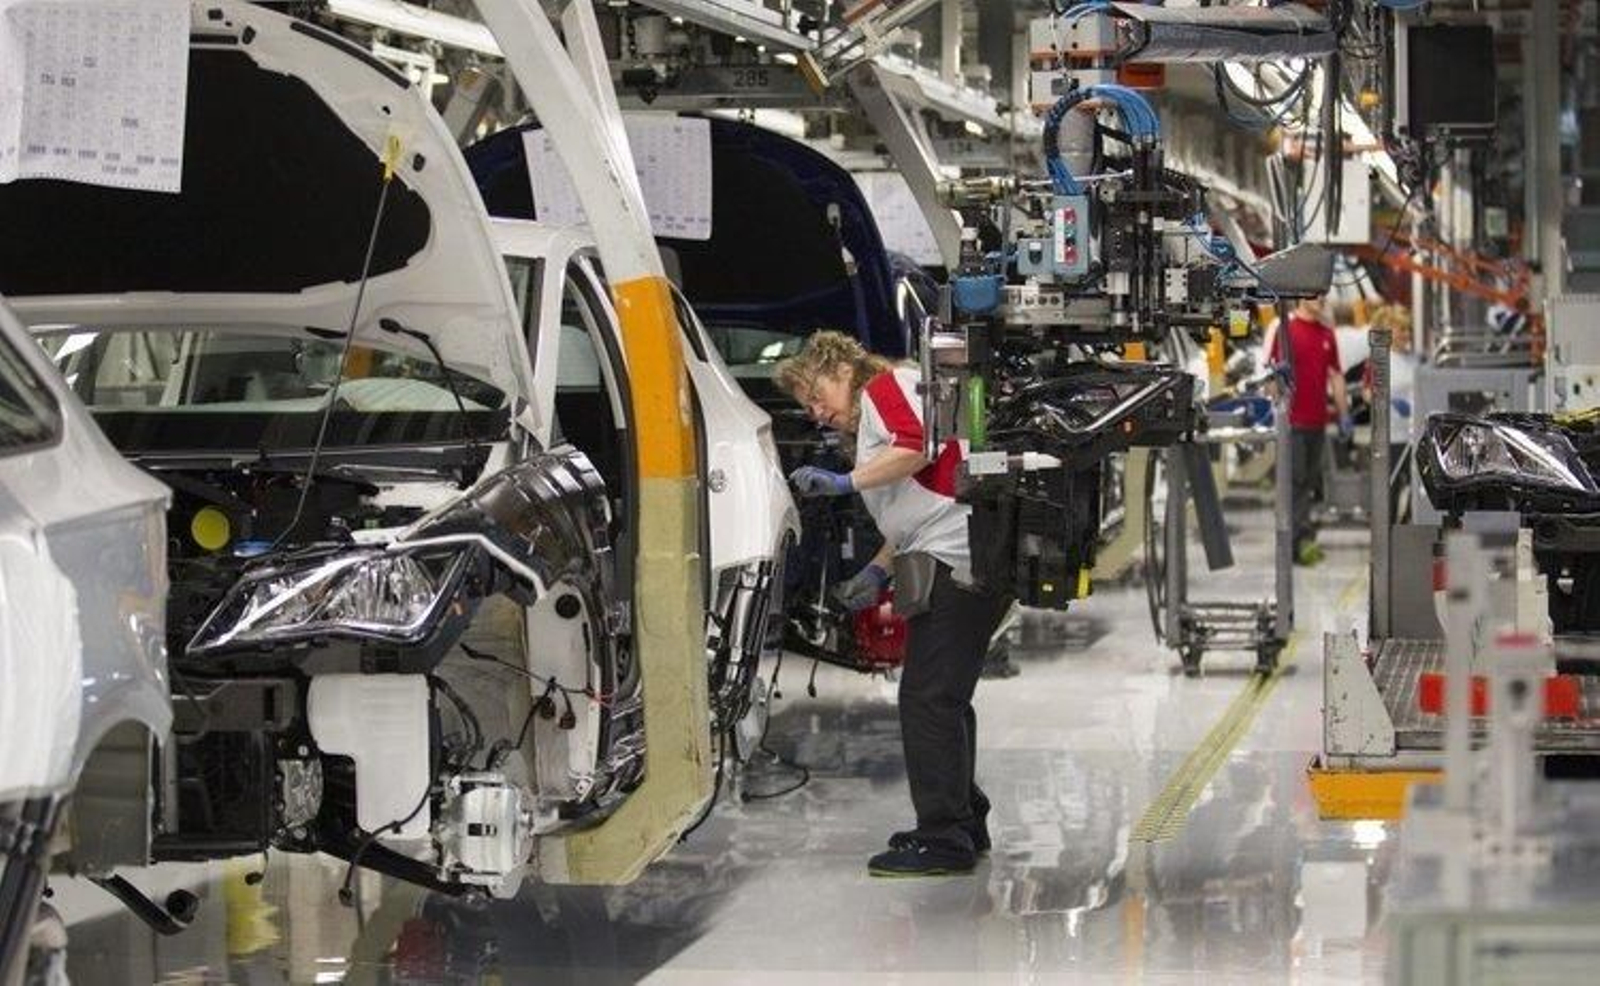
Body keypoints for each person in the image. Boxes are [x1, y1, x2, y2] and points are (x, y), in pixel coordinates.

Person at [775, 331, 1013, 877]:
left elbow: (916, 448)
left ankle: (943, 837)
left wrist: (843, 482)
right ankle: (964, 819)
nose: (815, 413)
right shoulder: (880, 404)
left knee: (927, 699)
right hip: (953, 551)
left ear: (839, 367)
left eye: (816, 395)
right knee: (944, 696)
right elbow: (913, 500)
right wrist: (879, 567)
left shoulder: (883, 386)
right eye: (807, 407)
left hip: (960, 557)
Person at [1268, 296, 1349, 566]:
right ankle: (1295, 543)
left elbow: (1335, 376)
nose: (1321, 300)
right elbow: (1273, 376)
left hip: (1318, 421)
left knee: (1309, 484)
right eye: (1314, 295)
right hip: (1293, 422)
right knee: (1297, 482)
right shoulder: (1287, 332)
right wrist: (1277, 413)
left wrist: (1344, 414)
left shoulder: (1327, 334)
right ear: (1301, 297)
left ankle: (1300, 540)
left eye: (1323, 295)